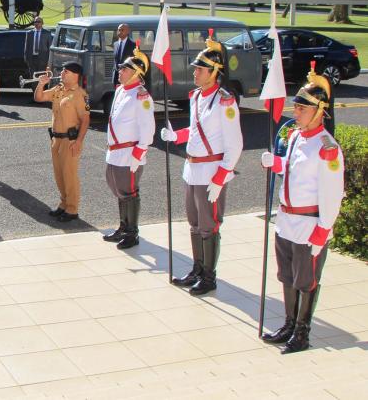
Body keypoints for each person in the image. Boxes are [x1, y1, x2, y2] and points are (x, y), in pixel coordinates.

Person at [260, 66, 344, 354]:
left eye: (301, 107)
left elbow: (332, 194)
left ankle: (302, 332)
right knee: (287, 276)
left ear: (319, 110)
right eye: (295, 106)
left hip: (309, 225)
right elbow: (294, 171)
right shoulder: (296, 137)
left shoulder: (327, 147)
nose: (295, 112)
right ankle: (288, 323)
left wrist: (323, 231)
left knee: (306, 281)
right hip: (286, 220)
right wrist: (276, 163)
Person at [161, 33, 243, 295]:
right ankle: (197, 268)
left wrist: (220, 178)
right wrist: (177, 136)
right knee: (194, 223)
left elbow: (235, 145)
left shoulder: (225, 102)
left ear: (214, 72)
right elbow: (197, 130)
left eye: (200, 69)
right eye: (195, 68)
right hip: (192, 169)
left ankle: (209, 276)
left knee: (209, 226)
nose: (195, 72)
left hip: (211, 172)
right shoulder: (197, 96)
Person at [102, 47, 155, 248]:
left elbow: (148, 128)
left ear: (136, 73)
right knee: (117, 189)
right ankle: (123, 226)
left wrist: (139, 153)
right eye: (121, 68)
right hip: (115, 151)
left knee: (129, 192)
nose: (120, 71)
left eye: (125, 69)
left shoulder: (141, 96)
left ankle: (132, 233)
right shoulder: (121, 90)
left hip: (129, 153)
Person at [34, 62, 90, 222]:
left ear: (75, 75)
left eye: (66, 71)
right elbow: (39, 98)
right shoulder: (58, 89)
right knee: (59, 175)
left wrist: (79, 141)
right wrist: (41, 84)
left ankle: (72, 209)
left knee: (69, 175)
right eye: (63, 70)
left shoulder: (81, 94)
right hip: (56, 139)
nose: (62, 73)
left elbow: (85, 120)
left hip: (70, 140)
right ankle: (64, 204)